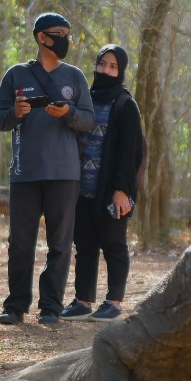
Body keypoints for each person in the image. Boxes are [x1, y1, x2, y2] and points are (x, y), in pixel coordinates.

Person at [0, 12, 95, 325]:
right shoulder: (16, 75)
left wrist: (68, 112)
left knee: (60, 244)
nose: (65, 38)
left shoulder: (75, 77)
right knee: (20, 242)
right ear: (42, 37)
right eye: (59, 33)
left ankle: (51, 306)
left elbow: (88, 120)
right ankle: (15, 306)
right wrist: (16, 113)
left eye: (68, 33)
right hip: (25, 172)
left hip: (64, 173)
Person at [59, 44, 144, 322]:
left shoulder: (125, 104)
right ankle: (83, 301)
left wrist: (122, 190)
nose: (106, 70)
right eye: (102, 65)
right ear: (95, 66)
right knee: (84, 247)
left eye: (113, 66)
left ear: (120, 71)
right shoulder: (86, 100)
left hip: (111, 191)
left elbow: (130, 152)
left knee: (114, 245)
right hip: (82, 190)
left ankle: (114, 302)